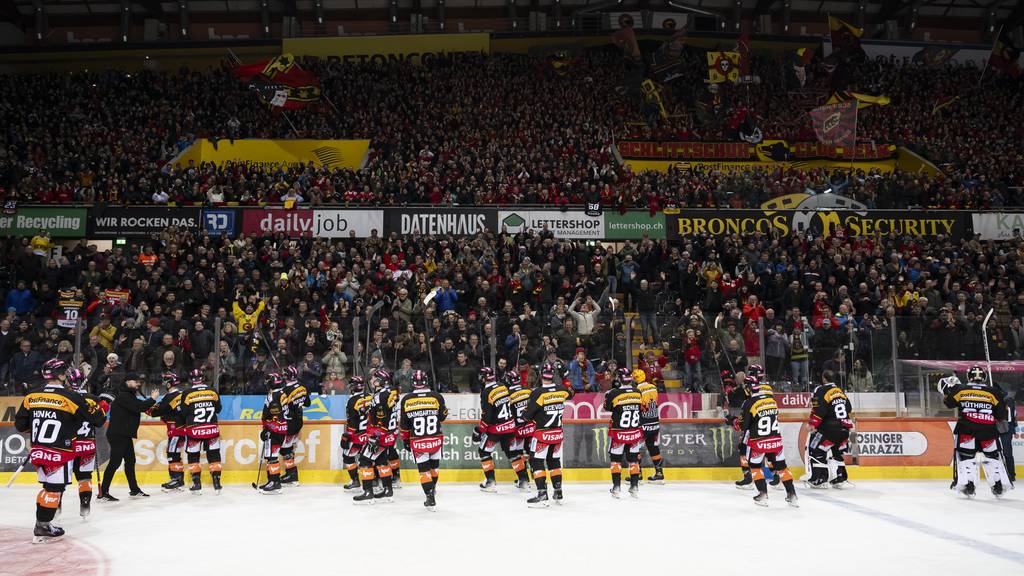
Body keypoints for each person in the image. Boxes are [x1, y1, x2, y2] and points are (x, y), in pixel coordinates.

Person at [14, 359, 103, 543]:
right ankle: (43, 526)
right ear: (62, 375)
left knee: (47, 488)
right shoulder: (70, 397)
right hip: (59, 452)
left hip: (39, 451)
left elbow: (20, 425)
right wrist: (97, 405)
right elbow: (98, 420)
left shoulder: (31, 396)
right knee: (54, 490)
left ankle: (42, 522)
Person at [939, 366, 1011, 498]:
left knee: (967, 458)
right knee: (993, 457)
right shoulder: (993, 392)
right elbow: (1002, 415)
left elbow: (948, 403)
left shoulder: (960, 389)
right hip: (988, 430)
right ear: (983, 377)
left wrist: (946, 389)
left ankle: (969, 486)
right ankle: (998, 485)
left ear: (969, 377)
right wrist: (997, 395)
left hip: (967, 428)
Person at [729, 376, 798, 507]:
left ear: (749, 389)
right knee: (782, 468)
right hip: (775, 440)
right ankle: (792, 494)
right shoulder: (771, 401)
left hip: (758, 442)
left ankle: (763, 494)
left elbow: (742, 426)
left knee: (755, 467)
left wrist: (732, 421)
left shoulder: (749, 403)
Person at [98, 372, 158, 501]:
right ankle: (103, 492)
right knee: (115, 463)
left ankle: (134, 490)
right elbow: (139, 407)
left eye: (139, 382)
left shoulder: (128, 395)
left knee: (130, 462)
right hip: (118, 435)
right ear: (127, 382)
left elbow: (139, 406)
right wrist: (152, 398)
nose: (138, 384)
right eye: (136, 381)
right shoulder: (124, 396)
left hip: (124, 435)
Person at [523, 364, 574, 507]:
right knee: (554, 462)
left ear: (541, 374)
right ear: (553, 375)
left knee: (537, 462)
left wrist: (526, 413)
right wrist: (565, 378)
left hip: (542, 435)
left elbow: (527, 416)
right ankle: (558, 490)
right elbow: (571, 392)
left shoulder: (538, 393)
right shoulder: (561, 390)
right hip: (557, 434)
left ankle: (541, 493)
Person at [399, 370, 448, 508]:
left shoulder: (407, 399)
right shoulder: (437, 397)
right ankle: (433, 487)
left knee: (424, 470)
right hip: (435, 439)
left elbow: (404, 424)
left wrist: (405, 439)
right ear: (426, 381)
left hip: (418, 440)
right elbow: (443, 416)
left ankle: (429, 496)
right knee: (434, 467)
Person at [67, 368, 108, 520]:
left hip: (67, 446)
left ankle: (55, 509)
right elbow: (100, 421)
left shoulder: (66, 398)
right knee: (84, 477)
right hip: (87, 445)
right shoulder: (94, 399)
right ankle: (85, 504)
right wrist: (103, 405)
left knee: (59, 480)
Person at [353, 370, 400, 504]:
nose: (372, 379)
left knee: (364, 460)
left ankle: (368, 492)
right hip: (386, 435)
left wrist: (376, 436)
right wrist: (368, 411)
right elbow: (384, 412)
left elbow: (382, 417)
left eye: (375, 377)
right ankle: (388, 490)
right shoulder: (386, 393)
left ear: (380, 380)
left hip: (379, 435)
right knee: (381, 461)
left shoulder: (381, 396)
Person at [475, 367, 522, 492]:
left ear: (484, 378)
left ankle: (490, 482)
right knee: (513, 453)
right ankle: (524, 482)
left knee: (484, 452)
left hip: (496, 429)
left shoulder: (486, 392)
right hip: (510, 427)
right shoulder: (503, 386)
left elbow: (487, 416)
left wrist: (480, 430)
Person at [805, 370, 854, 488]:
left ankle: (820, 479)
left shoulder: (821, 390)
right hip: (844, 429)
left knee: (815, 449)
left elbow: (819, 411)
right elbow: (849, 407)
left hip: (829, 429)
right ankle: (840, 478)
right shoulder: (840, 391)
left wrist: (812, 424)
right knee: (837, 451)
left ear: (823, 378)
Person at [178, 368, 224, 494]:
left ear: (191, 380)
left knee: (193, 456)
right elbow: (218, 409)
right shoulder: (212, 391)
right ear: (203, 378)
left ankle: (197, 484)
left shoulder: (187, 393)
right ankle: (217, 483)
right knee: (214, 455)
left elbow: (183, 413)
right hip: (211, 430)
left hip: (194, 431)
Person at [604, 368, 643, 498]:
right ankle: (634, 487)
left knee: (616, 460)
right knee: (633, 460)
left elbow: (607, 407)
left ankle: (616, 487)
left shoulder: (614, 393)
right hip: (634, 432)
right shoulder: (638, 392)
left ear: (619, 379)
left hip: (619, 433)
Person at [149, 372, 187, 492]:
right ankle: (178, 479)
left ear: (170, 384)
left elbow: (156, 412)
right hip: (183, 429)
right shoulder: (183, 394)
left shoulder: (169, 397)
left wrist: (147, 405)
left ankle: (176, 479)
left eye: (165, 382)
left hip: (176, 430)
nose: (164, 384)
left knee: (172, 454)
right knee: (174, 453)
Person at [280, 365, 311, 486]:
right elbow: (307, 403)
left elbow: (282, 407)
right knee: (288, 448)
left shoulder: (285, 390)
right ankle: (292, 474)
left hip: (289, 423)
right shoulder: (302, 387)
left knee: (285, 448)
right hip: (298, 422)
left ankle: (292, 474)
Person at [258, 373, 288, 494]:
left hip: (274, 429)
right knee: (271, 455)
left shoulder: (273, 396)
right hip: (281, 429)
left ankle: (275, 483)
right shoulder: (282, 393)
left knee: (272, 457)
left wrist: (267, 428)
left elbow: (270, 414)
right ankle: (271, 480)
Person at [506, 370, 534, 492]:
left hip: (517, 430)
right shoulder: (529, 391)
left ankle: (523, 479)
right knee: (530, 452)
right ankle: (537, 474)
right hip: (531, 427)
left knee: (517, 455)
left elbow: (507, 414)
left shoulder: (508, 395)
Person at [341, 376, 371, 491]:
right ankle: (374, 482)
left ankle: (355, 481)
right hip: (369, 434)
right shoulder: (370, 396)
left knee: (347, 457)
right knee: (370, 459)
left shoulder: (352, 400)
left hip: (358, 436)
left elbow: (352, 423)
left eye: (351, 385)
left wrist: (346, 437)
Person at [635, 369, 664, 483]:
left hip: (643, 422)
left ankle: (637, 474)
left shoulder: (637, 390)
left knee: (634, 447)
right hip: (655, 422)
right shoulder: (653, 387)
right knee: (653, 447)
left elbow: (638, 406)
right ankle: (659, 473)